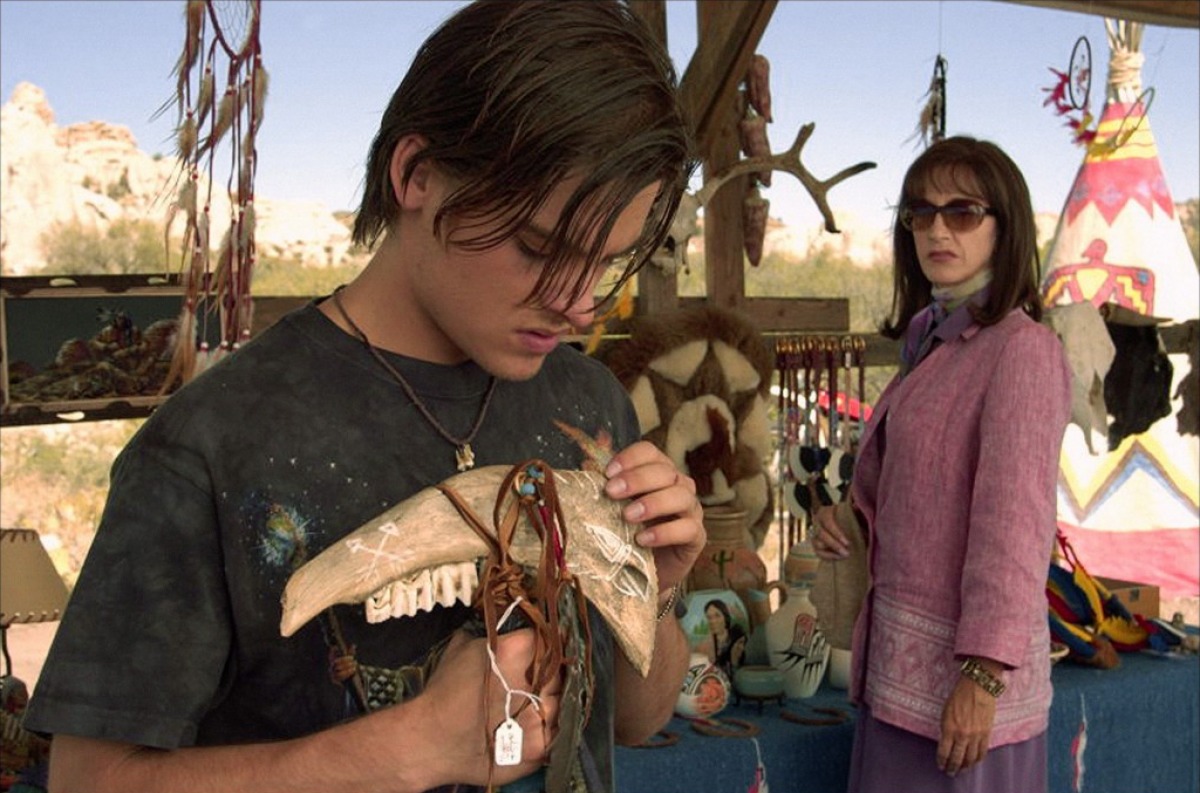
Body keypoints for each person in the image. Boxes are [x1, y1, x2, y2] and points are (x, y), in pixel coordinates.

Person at [23, 3, 706, 792]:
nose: (580, 305)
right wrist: (407, 747)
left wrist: (655, 588)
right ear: (416, 175)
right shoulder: (210, 444)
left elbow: (633, 720)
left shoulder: (591, 406)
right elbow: (87, 778)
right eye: (540, 248)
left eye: (607, 263)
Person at [812, 136, 1071, 792]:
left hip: (964, 698)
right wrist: (853, 523)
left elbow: (1015, 526)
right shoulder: (933, 341)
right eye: (921, 213)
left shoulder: (1020, 350)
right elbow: (921, 495)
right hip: (902, 685)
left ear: (1005, 225)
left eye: (963, 212)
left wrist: (982, 676)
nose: (937, 229)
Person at [701, 598, 747, 679]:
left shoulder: (736, 634)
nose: (713, 621)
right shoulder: (708, 643)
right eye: (709, 617)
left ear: (725, 617)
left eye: (717, 616)